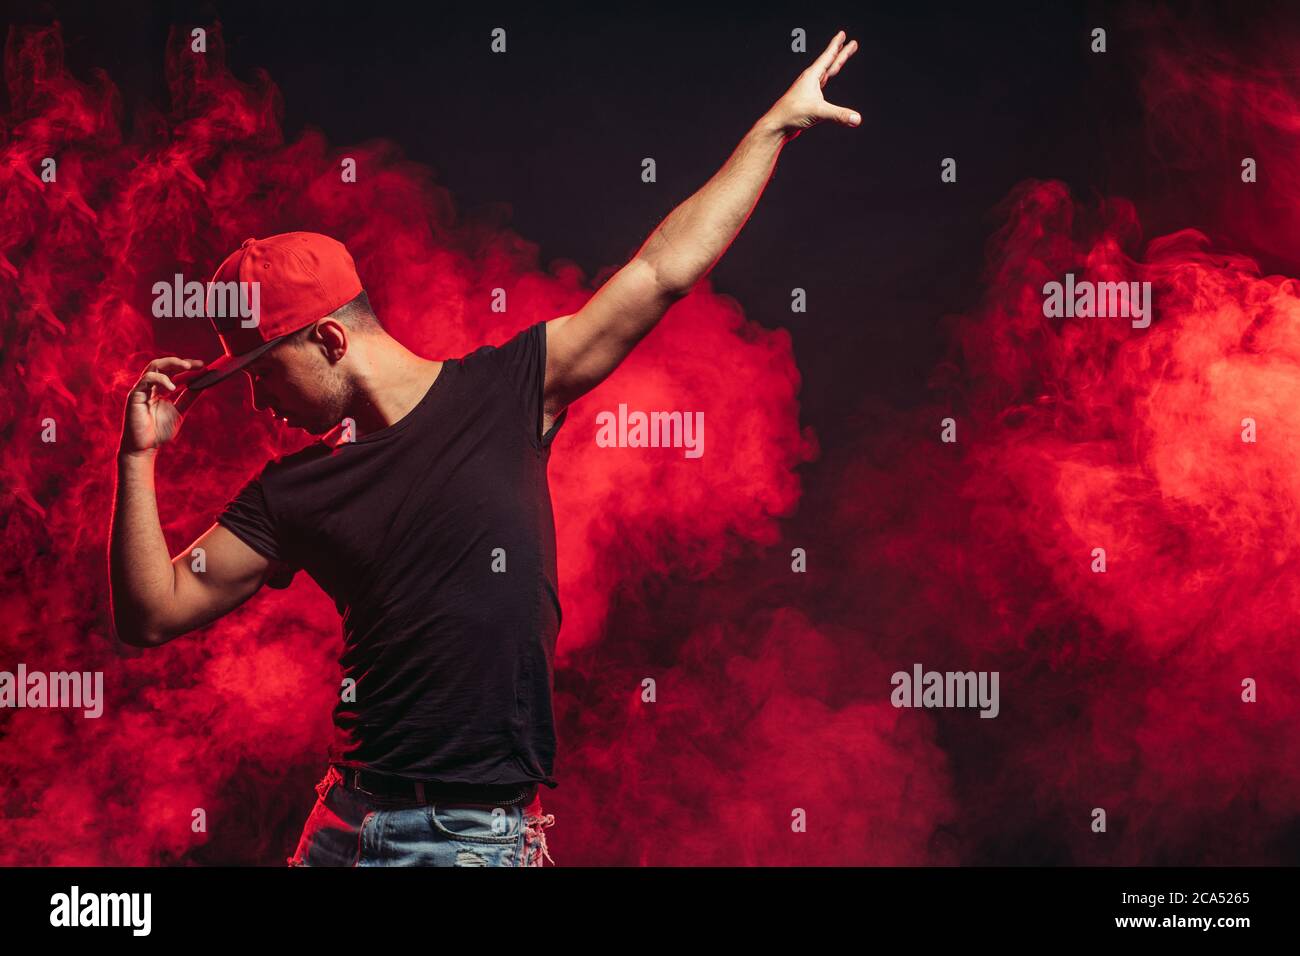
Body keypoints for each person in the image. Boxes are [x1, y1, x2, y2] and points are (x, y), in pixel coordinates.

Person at [107, 31, 860, 867]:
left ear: (327, 339)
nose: (255, 399)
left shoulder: (507, 392)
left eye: (258, 370)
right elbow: (151, 614)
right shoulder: (293, 492)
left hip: (465, 843)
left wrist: (774, 129)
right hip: (338, 829)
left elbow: (659, 274)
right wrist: (136, 459)